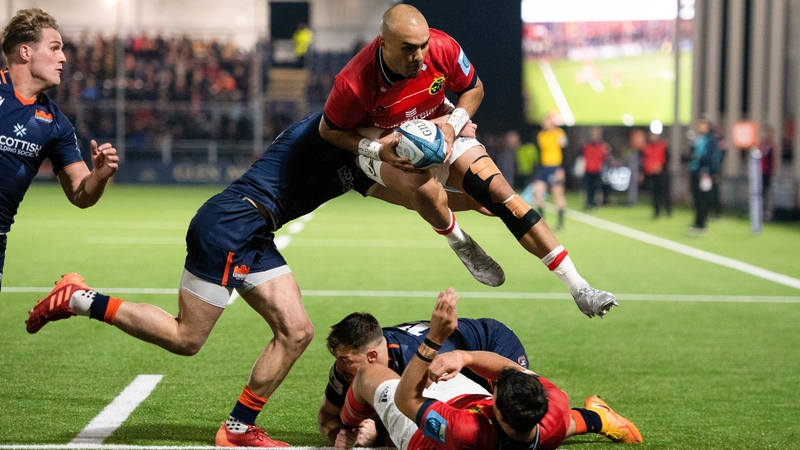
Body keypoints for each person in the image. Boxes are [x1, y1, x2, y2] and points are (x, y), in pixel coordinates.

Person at [25, 112, 484, 448]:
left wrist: (477, 200)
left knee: (297, 331)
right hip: (230, 223)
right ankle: (79, 298)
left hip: (254, 231)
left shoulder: (356, 166)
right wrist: (447, 122)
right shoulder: (329, 129)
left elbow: (412, 197)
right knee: (187, 338)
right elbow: (389, 132)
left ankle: (239, 429)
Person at [319, 4, 616, 318]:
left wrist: (454, 122)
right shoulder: (352, 83)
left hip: (438, 122)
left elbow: (473, 88)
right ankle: (460, 241)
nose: (418, 57)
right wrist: (377, 150)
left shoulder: (443, 47)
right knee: (424, 191)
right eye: (408, 49)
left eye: (422, 46)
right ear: (384, 44)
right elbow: (330, 130)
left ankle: (580, 287)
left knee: (501, 193)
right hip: (381, 136)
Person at [337, 288, 642, 450]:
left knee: (369, 374)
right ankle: (599, 417)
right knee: (565, 423)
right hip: (473, 405)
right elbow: (509, 369)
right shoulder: (553, 412)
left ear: (495, 409)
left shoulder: (465, 431)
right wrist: (464, 358)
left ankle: (347, 429)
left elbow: (407, 400)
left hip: (424, 436)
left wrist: (433, 342)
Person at [0, 8, 118, 291]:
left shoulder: (56, 124)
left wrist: (98, 176)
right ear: (26, 52)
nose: (63, 58)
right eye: (55, 48)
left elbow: (80, 193)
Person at [319, 312, 530, 446]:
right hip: (454, 356)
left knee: (512, 421)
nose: (339, 367)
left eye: (344, 360)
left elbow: (430, 422)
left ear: (372, 356)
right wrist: (341, 433)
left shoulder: (420, 360)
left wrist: (376, 435)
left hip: (493, 344)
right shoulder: (345, 368)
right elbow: (327, 414)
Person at [533, 114, 568, 229]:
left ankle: (560, 223)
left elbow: (564, 147)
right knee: (537, 193)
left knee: (557, 194)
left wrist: (561, 169)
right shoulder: (541, 135)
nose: (544, 123)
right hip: (544, 167)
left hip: (555, 167)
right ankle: (542, 222)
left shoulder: (559, 133)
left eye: (547, 121)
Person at [687, 117, 718, 234]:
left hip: (704, 172)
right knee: (696, 198)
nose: (700, 127)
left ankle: (702, 224)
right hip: (694, 170)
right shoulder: (697, 138)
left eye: (703, 125)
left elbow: (710, 157)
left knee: (703, 198)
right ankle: (697, 222)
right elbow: (692, 152)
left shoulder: (710, 139)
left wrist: (708, 171)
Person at [641, 131, 671, 218]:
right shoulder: (646, 147)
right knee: (655, 194)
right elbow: (644, 160)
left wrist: (662, 168)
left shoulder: (663, 146)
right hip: (651, 174)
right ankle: (656, 211)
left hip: (662, 174)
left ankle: (668, 211)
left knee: (665, 193)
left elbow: (667, 158)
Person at [581, 126, 609, 209]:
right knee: (588, 188)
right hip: (588, 169)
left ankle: (596, 202)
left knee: (597, 187)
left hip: (598, 170)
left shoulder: (603, 146)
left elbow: (605, 158)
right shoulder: (586, 145)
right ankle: (589, 202)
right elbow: (582, 156)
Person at [759, 124, 775, 220]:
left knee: (767, 192)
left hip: (767, 172)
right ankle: (760, 211)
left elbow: (769, 157)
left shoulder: (770, 145)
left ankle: (767, 212)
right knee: (760, 193)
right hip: (760, 172)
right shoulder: (761, 144)